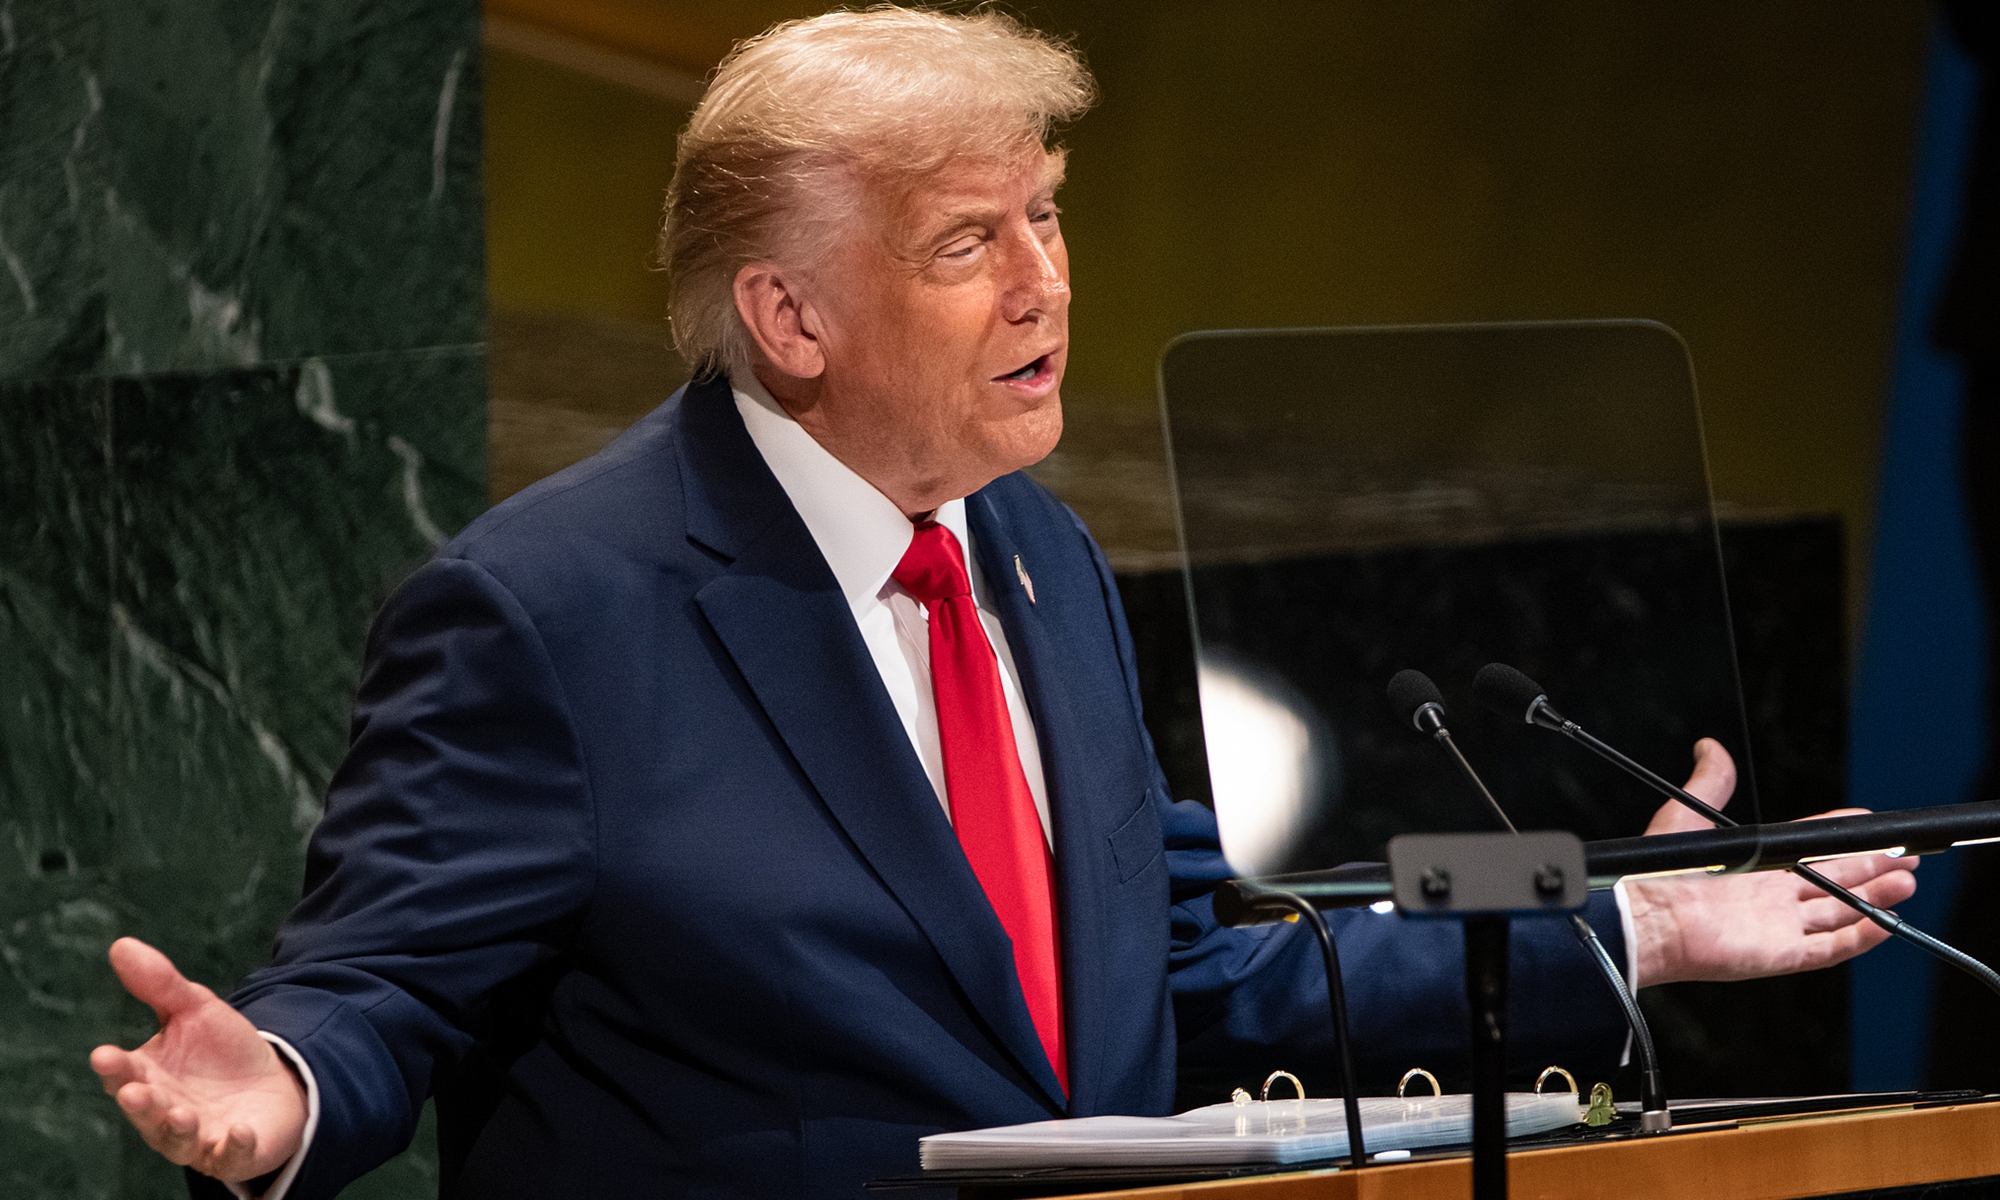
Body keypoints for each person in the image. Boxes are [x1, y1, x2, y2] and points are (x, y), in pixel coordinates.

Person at [89, 10, 1918, 1199]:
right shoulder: (547, 613)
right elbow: (381, 990)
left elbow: (1192, 975)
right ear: (789, 320)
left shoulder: (1034, 557)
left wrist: (1625, 923)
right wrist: (288, 1093)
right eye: (968, 244)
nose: (1045, 281)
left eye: (1047, 216)